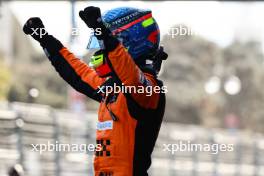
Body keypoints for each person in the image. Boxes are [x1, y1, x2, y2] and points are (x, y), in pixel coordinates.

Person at [23, 6, 167, 176]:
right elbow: (78, 74)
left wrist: (103, 32)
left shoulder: (150, 90)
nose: (101, 51)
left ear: (131, 42)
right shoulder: (114, 88)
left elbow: (132, 77)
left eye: (113, 42)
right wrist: (44, 38)